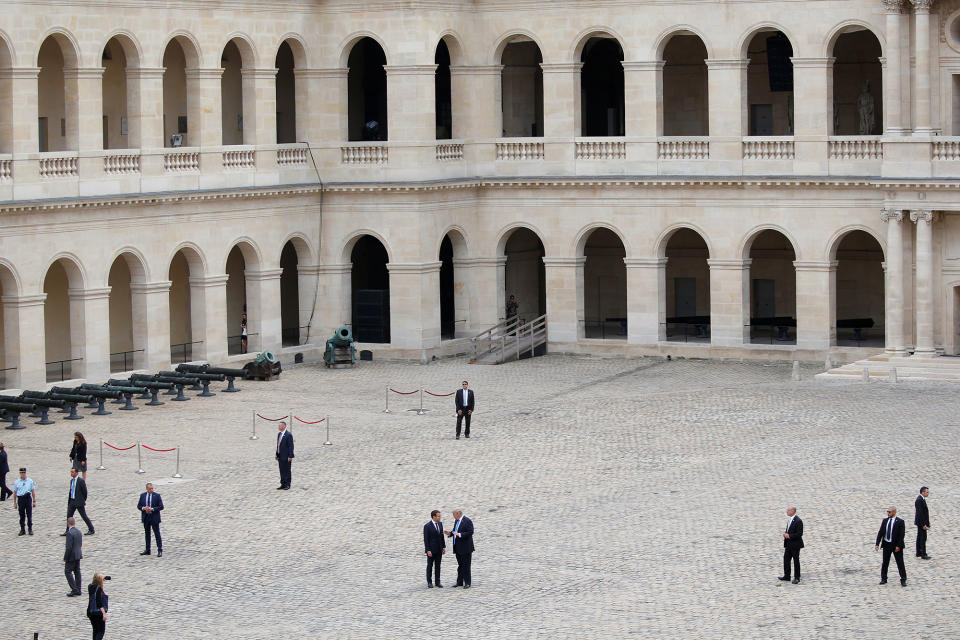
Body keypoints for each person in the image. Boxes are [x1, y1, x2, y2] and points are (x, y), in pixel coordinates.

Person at [875, 506, 906, 586]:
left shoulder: (900, 522)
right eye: (887, 512)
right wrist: (877, 543)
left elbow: (901, 535)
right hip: (886, 544)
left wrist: (898, 546)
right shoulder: (885, 521)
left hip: (896, 545)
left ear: (894, 512)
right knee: (885, 562)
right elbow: (881, 532)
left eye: (889, 512)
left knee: (900, 563)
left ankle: (903, 579)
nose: (888, 513)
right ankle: (884, 578)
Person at [444, 509, 474, 588]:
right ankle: (459, 582)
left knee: (466, 565)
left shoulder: (467, 521)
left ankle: (467, 582)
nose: (453, 517)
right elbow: (455, 531)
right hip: (457, 547)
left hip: (465, 547)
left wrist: (460, 534)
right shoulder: (457, 521)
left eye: (454, 515)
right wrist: (450, 533)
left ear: (458, 514)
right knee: (460, 565)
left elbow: (470, 532)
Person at [61, 467, 95, 536]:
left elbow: (85, 492)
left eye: (72, 472)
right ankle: (67, 530)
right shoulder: (71, 481)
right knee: (69, 516)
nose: (71, 473)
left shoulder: (80, 481)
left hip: (79, 502)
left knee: (84, 516)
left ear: (76, 473)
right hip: (72, 501)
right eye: (71, 472)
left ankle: (91, 529)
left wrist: (82, 500)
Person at [778, 506, 803, 584]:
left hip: (795, 545)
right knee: (786, 559)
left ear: (793, 511)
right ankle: (787, 575)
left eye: (788, 510)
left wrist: (789, 536)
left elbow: (799, 533)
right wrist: (786, 534)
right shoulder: (790, 520)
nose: (787, 511)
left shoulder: (798, 521)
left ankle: (797, 577)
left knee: (796, 561)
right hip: (788, 544)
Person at [137, 483, 163, 557]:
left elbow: (161, 506)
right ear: (147, 489)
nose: (151, 490)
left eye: (152, 488)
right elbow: (139, 506)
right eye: (150, 489)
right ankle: (148, 549)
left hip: (154, 517)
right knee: (147, 534)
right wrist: (143, 508)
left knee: (157, 534)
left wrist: (153, 509)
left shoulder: (157, 496)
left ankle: (160, 549)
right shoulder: (142, 496)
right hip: (146, 517)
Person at [423, 509, 446, 588]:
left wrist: (443, 547)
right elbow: (426, 539)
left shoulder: (440, 524)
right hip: (431, 550)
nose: (440, 517)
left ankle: (437, 581)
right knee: (430, 566)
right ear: (434, 517)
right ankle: (429, 582)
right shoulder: (427, 526)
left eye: (440, 516)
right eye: (438, 516)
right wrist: (428, 550)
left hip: (439, 549)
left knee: (438, 565)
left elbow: (441, 536)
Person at [13, 467, 36, 535]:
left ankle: (30, 528)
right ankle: (22, 529)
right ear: (20, 473)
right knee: (21, 514)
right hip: (21, 499)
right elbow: (15, 492)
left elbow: (33, 491)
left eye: (24, 472)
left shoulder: (30, 481)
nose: (23, 474)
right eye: (21, 473)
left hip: (28, 498)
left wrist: (34, 501)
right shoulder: (17, 482)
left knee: (29, 514)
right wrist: (15, 503)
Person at [64, 516, 83, 596]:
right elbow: (80, 544)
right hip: (78, 554)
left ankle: (74, 589)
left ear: (68, 523)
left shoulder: (69, 533)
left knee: (67, 571)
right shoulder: (78, 532)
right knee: (77, 572)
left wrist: (65, 558)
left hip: (71, 556)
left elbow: (68, 547)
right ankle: (78, 589)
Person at [87, 573, 108, 640]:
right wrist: (104, 613)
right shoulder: (98, 589)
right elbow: (99, 603)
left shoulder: (90, 586)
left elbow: (98, 579)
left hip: (90, 612)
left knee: (95, 630)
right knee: (101, 631)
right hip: (98, 613)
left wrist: (104, 577)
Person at [276, 421, 294, 490]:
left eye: (279, 426)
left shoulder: (288, 435)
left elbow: (291, 446)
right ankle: (283, 483)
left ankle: (287, 484)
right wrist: (277, 454)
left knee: (287, 470)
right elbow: (278, 445)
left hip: (286, 456)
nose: (278, 427)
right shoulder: (279, 434)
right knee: (282, 470)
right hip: (280, 456)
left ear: (283, 426)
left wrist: (290, 456)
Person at [915, 486, 931, 560]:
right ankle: (923, 554)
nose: (928, 493)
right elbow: (920, 513)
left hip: (921, 522)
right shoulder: (919, 500)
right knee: (922, 538)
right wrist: (924, 524)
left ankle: (918, 552)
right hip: (921, 523)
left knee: (919, 537)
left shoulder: (921, 499)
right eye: (927, 492)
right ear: (923, 492)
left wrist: (928, 522)